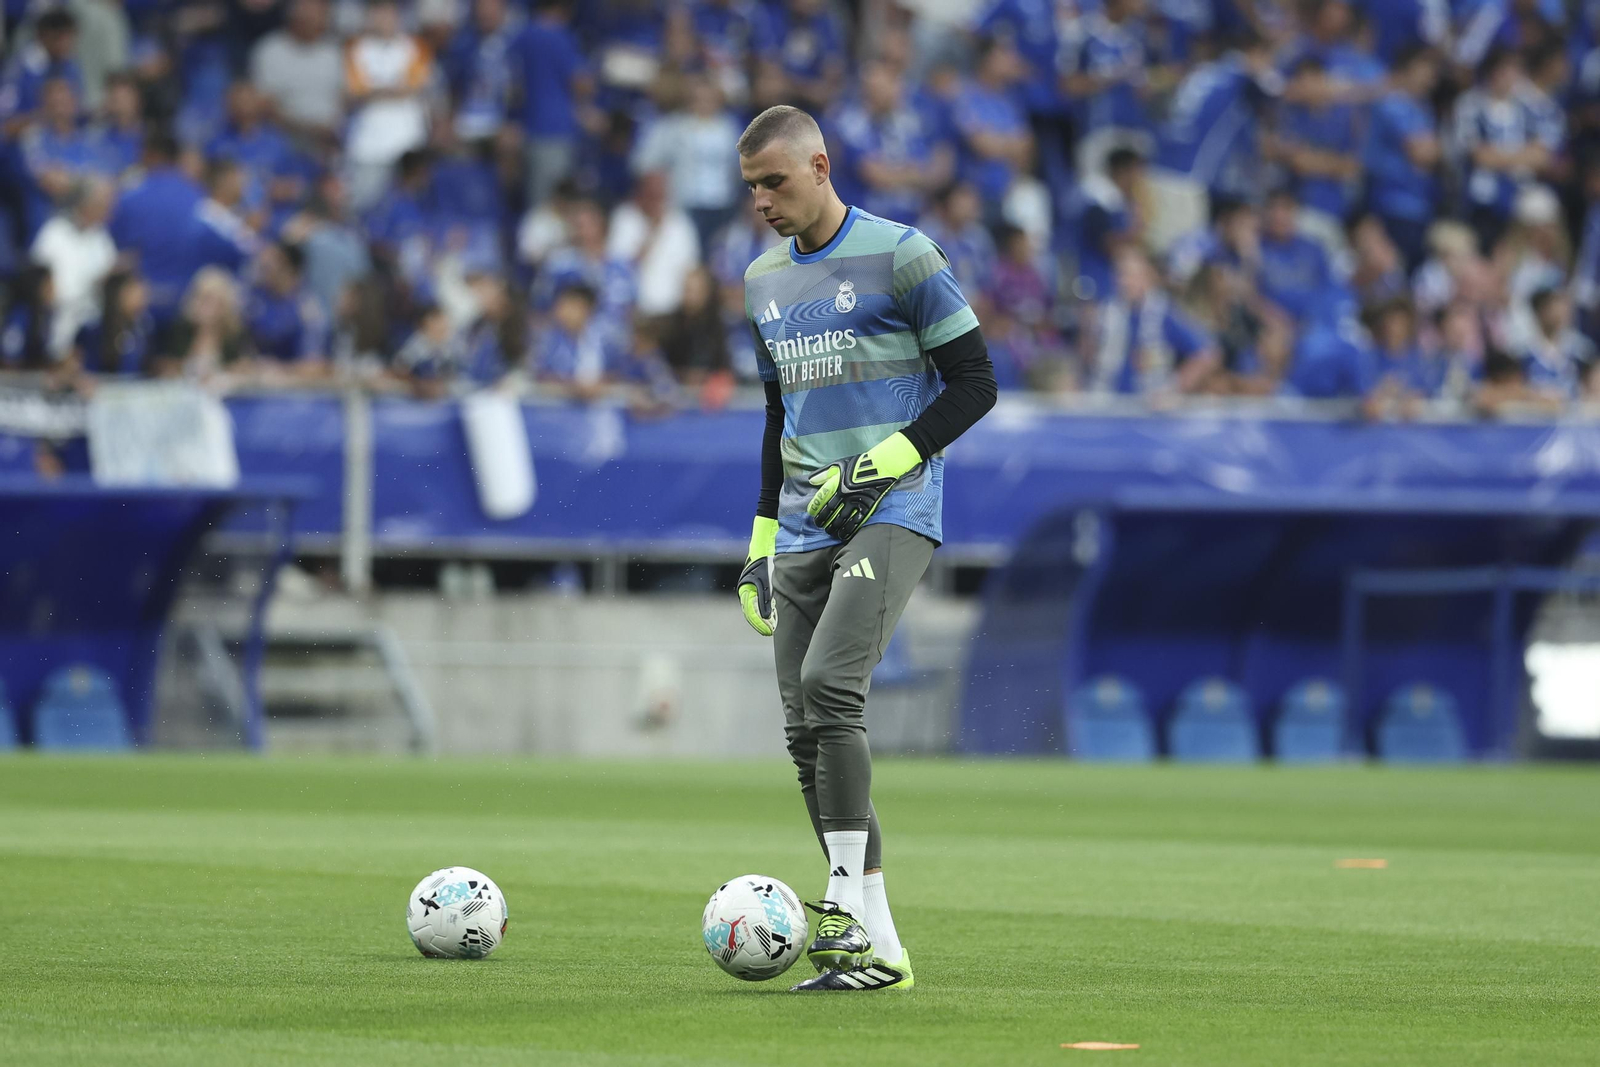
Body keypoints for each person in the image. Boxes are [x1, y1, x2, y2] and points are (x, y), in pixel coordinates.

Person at [734, 104, 997, 992]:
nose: (762, 200)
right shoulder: (762, 281)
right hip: (805, 522)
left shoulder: (904, 253)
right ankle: (875, 946)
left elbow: (976, 382)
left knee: (828, 688)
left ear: (819, 163)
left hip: (894, 508)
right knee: (805, 733)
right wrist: (762, 535)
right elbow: (779, 416)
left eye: (774, 180)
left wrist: (883, 463)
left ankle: (840, 907)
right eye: (751, 188)